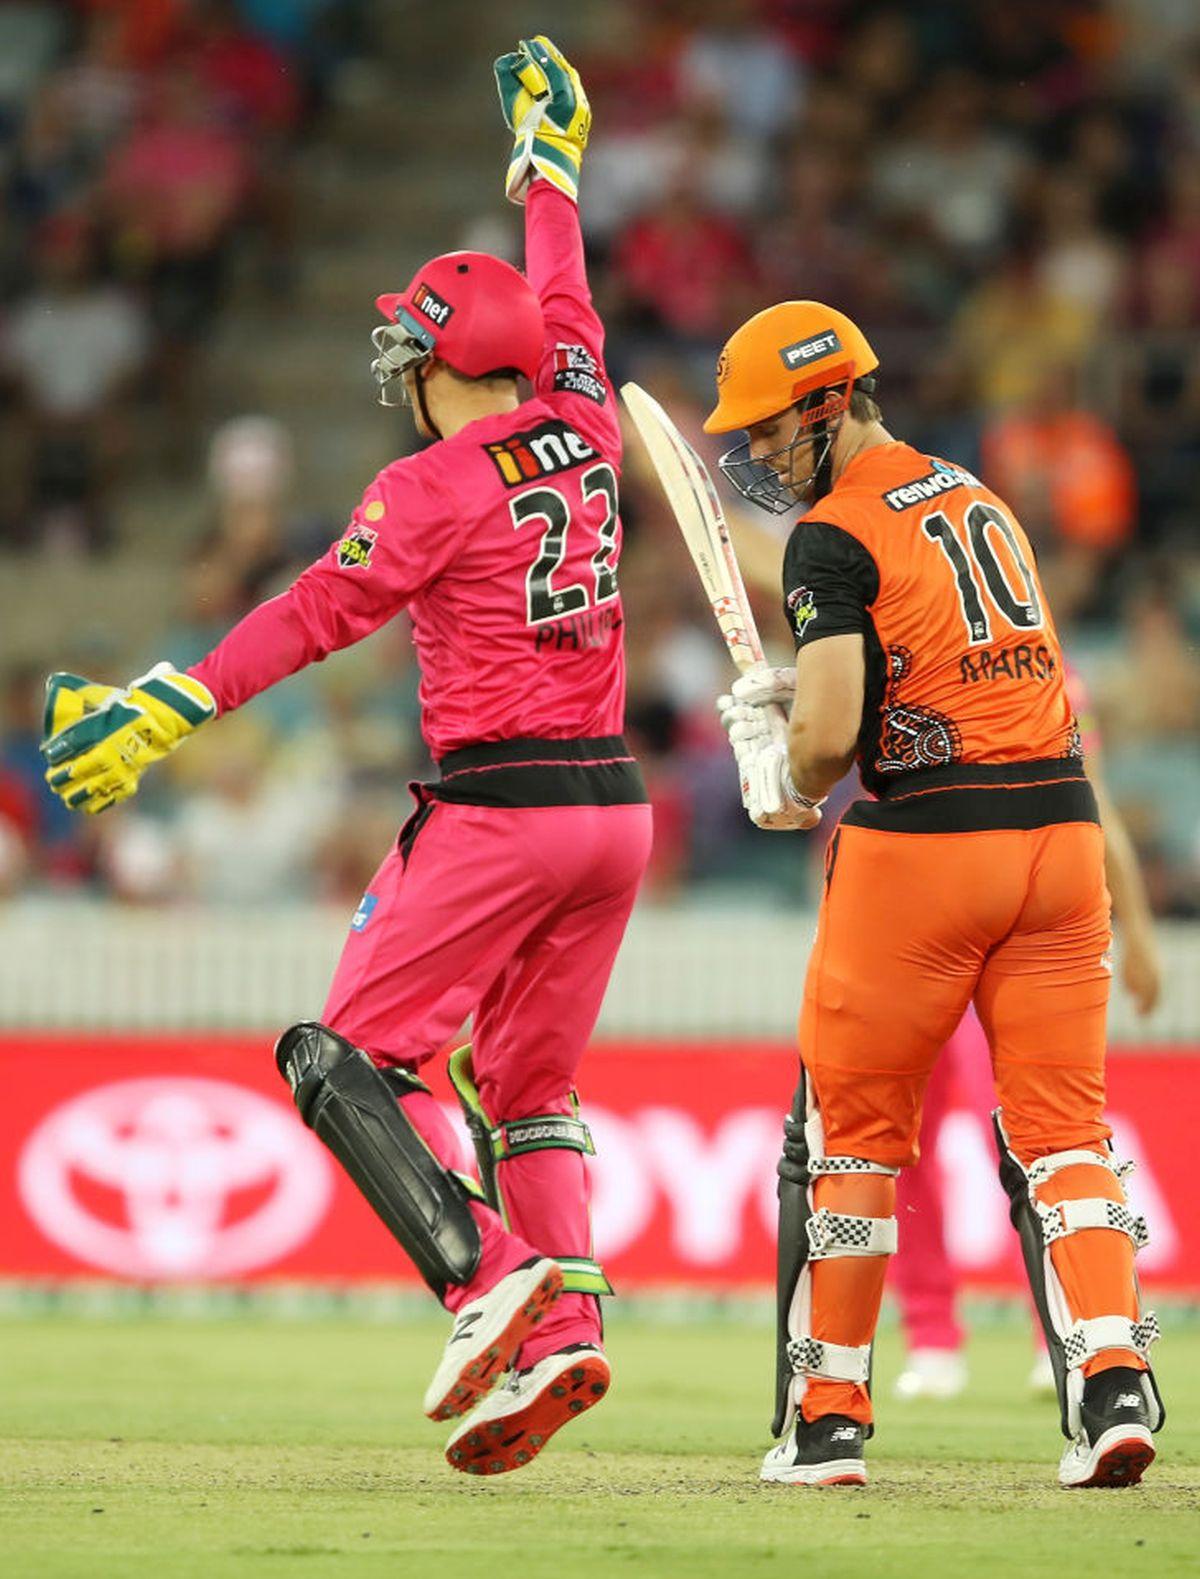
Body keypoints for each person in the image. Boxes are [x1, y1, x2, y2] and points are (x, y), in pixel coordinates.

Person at [40, 37, 651, 1479]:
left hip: (498, 806)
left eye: (411, 354)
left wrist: (172, 700)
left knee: (341, 1056)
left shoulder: (428, 485)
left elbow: (317, 612)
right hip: (612, 815)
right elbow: (564, 296)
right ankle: (564, 1330)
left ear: (449, 369)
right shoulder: (580, 413)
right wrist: (548, 170)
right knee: (531, 1084)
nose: (398, 373)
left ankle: (481, 1270)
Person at [706, 301, 1165, 1488]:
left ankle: (829, 1421)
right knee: (1065, 1134)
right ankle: (1113, 1385)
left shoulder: (831, 532)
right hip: (1061, 839)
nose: (756, 454)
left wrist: (782, 765)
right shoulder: (978, 492)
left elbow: (828, 735)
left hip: (926, 848)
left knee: (850, 1139)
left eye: (765, 428)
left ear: (824, 400)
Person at [893, 666, 1162, 1401]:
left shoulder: (1056, 682)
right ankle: (932, 1335)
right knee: (901, 1136)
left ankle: (1061, 1328)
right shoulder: (909, 663)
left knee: (1018, 1130)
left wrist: (1135, 930)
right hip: (915, 932)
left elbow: (1091, 801)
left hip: (1013, 941)